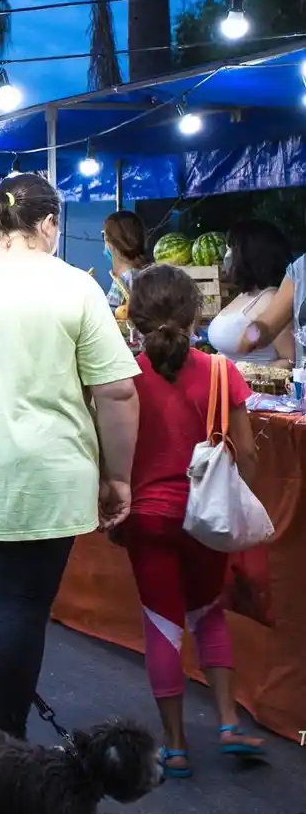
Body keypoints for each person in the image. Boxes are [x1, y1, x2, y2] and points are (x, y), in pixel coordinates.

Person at [0, 173, 140, 742]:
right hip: (47, 476)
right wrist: (117, 477)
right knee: (19, 606)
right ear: (47, 224)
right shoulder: (75, 286)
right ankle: (4, 736)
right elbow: (116, 391)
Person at [120, 264, 266, 777]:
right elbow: (245, 453)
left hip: (147, 518)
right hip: (207, 517)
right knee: (208, 613)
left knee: (162, 625)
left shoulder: (124, 376)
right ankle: (228, 723)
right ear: (195, 312)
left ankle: (176, 746)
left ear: (136, 316)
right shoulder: (224, 373)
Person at [207, 219, 293, 366]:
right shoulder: (244, 295)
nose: (226, 255)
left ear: (248, 255)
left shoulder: (271, 300)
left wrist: (247, 378)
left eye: (230, 248)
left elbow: (290, 359)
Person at [102, 209, 151, 314]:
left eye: (105, 237)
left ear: (112, 244)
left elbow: (106, 318)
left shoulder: (124, 280)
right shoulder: (151, 274)